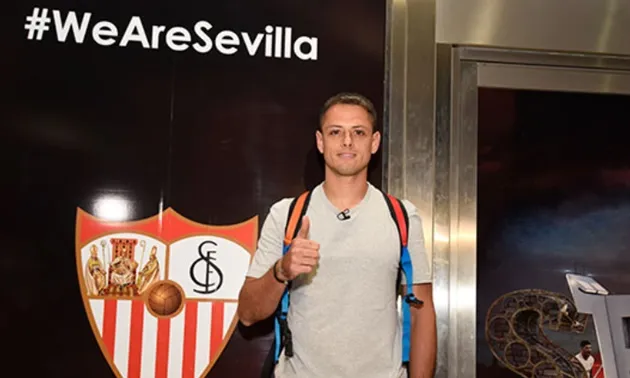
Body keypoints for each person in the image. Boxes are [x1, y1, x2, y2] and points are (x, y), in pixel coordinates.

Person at [237, 92, 437, 378]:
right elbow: (247, 314)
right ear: (321, 142)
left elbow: (421, 311)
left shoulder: (403, 217)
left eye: (358, 132)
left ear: (374, 142)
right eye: (335, 132)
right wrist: (281, 270)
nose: (347, 142)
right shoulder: (287, 215)